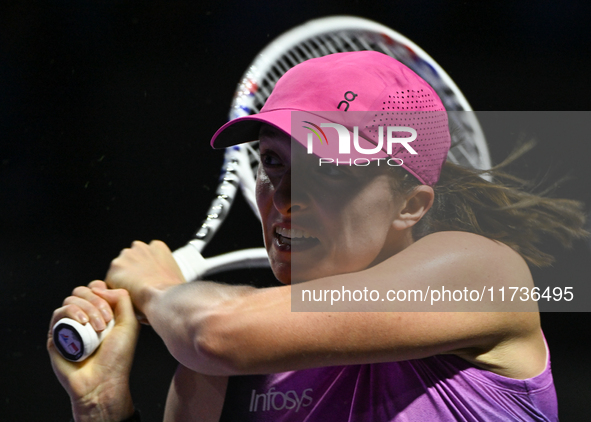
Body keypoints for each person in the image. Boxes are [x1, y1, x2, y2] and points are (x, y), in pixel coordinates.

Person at [48, 51, 587, 421]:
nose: (285, 197)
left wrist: (157, 288)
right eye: (275, 162)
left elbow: (215, 330)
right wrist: (103, 405)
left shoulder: (483, 273)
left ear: (411, 204)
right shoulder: (221, 370)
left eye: (327, 168)